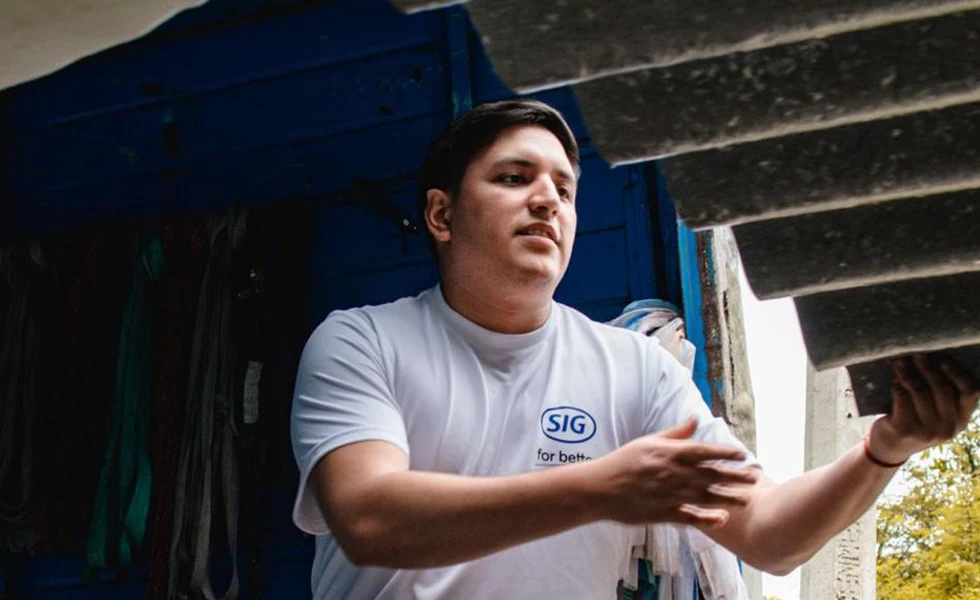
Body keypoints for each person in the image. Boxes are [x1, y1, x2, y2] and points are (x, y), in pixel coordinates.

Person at [290, 100, 980, 600]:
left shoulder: (633, 368)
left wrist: (884, 449)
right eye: (513, 178)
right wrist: (603, 486)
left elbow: (769, 536)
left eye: (563, 188)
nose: (546, 201)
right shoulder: (361, 341)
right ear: (441, 214)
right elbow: (370, 518)